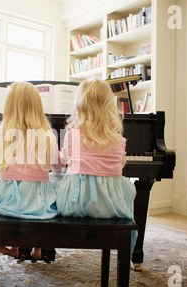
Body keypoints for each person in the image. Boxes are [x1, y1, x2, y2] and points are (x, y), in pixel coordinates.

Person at [56, 79, 137, 247]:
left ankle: (40, 242)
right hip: (110, 204)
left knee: (51, 180)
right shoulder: (119, 139)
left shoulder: (73, 134)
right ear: (109, 106)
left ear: (80, 105)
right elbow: (120, 165)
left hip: (75, 204)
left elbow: (63, 161)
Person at [0, 82, 63, 259]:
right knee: (52, 187)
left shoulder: (2, 135)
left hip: (7, 199)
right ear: (38, 107)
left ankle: (15, 244)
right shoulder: (47, 135)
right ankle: (38, 248)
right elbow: (57, 167)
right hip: (36, 201)